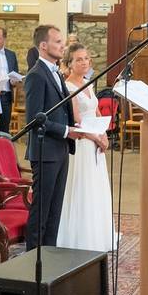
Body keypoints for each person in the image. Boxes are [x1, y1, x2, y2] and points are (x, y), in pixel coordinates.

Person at [23, 25, 80, 250]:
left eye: (62, 42)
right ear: (43, 46)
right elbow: (35, 118)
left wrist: (74, 126)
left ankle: (49, 255)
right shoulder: (36, 75)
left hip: (60, 149)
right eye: (57, 42)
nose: (62, 46)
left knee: (55, 210)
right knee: (41, 211)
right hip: (45, 151)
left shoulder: (55, 71)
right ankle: (33, 258)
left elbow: (59, 110)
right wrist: (66, 131)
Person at [56, 44, 117, 252]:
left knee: (96, 187)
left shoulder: (88, 84)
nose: (83, 62)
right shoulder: (70, 87)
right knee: (83, 187)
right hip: (82, 143)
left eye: (86, 58)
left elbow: (97, 111)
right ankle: (80, 237)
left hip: (97, 139)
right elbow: (77, 120)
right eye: (78, 59)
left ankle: (97, 233)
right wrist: (95, 138)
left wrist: (105, 135)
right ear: (69, 64)